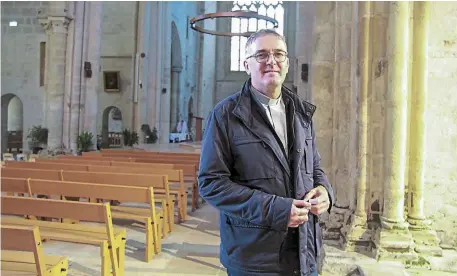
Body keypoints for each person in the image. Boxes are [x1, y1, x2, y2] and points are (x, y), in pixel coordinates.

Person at [198, 29, 335, 276]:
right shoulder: (225, 115)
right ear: (246, 65)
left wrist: (325, 191)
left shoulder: (302, 113)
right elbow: (211, 184)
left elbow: (314, 168)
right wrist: (277, 210)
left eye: (278, 54)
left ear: (287, 64)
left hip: (305, 252)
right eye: (261, 55)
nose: (271, 61)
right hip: (254, 257)